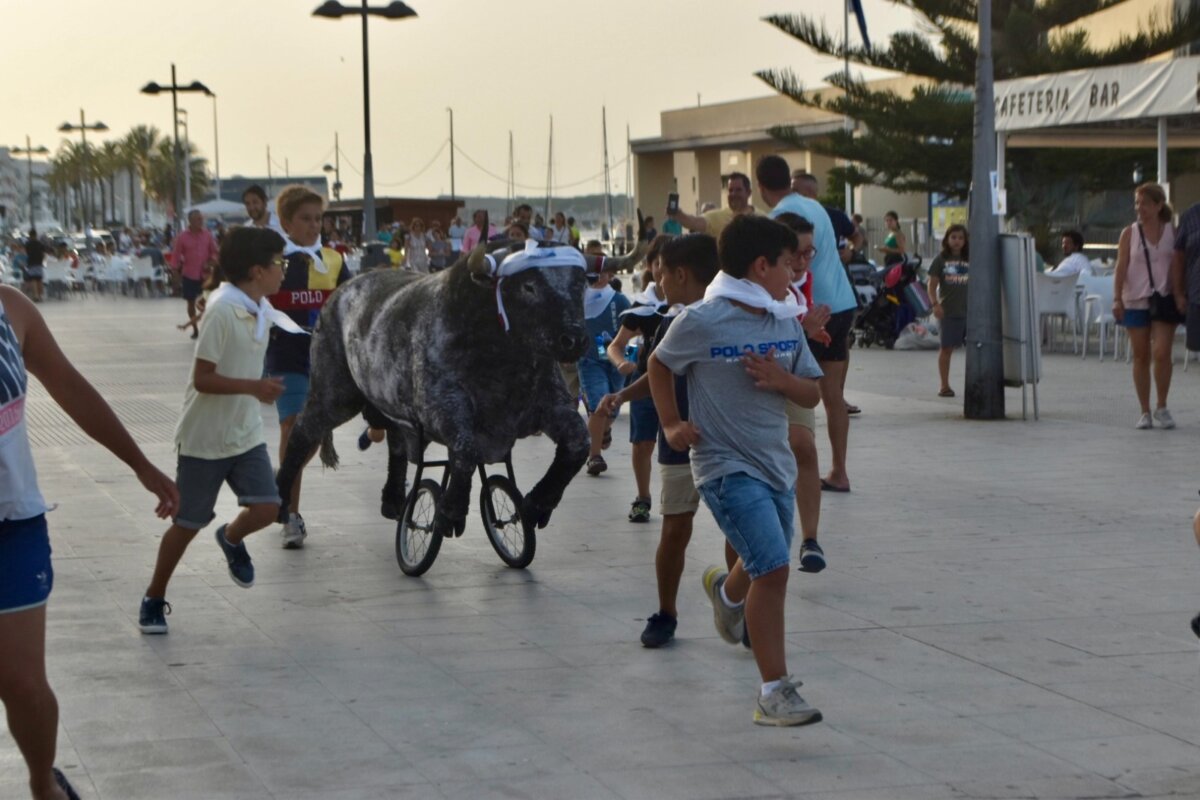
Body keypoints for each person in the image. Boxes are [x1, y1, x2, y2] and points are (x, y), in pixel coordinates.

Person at [0, 284, 178, 800]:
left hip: (12, 524)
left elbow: (70, 387)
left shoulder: (12, 309)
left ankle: (43, 782)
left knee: (22, 683)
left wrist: (139, 464)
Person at [649, 214, 824, 726]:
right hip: (723, 467)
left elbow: (812, 392)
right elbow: (659, 364)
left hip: (776, 466)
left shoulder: (784, 320)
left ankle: (727, 596)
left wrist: (782, 381)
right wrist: (671, 423)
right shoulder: (703, 319)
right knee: (772, 568)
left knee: (762, 559)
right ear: (760, 266)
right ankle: (774, 692)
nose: (795, 272)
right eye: (787, 263)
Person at [139, 227, 290, 635]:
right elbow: (202, 378)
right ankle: (153, 596)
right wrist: (254, 387)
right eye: (280, 263)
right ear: (257, 270)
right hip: (204, 439)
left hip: (244, 433)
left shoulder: (258, 307)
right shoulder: (223, 311)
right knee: (188, 524)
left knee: (268, 508)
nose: (284, 270)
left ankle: (231, 538)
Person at [596, 234, 720, 648]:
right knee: (675, 528)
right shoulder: (670, 321)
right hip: (680, 443)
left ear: (681, 274)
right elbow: (656, 373)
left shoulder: (726, 316)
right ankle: (667, 612)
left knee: (737, 530)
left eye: (662, 272)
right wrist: (622, 396)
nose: (658, 280)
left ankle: (739, 604)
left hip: (724, 441)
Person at [756, 154, 856, 493]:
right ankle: (839, 470)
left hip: (806, 312)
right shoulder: (815, 206)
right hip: (841, 304)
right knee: (834, 396)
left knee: (794, 397)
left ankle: (795, 470)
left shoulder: (777, 220)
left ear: (761, 186)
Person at [267, 185, 351, 546]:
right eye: (305, 219)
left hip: (325, 360)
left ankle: (281, 480)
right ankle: (290, 514)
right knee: (292, 426)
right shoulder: (273, 262)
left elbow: (351, 302)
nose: (314, 225)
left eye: (318, 219)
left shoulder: (334, 261)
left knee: (310, 435)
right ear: (286, 222)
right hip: (285, 356)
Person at [773, 213, 834, 575]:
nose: (802, 261)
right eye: (796, 253)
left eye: (809, 253)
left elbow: (797, 325)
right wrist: (803, 327)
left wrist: (809, 332)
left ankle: (810, 539)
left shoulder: (803, 281)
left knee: (804, 445)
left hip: (793, 374)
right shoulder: (757, 283)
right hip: (759, 378)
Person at [603, 235, 670, 522]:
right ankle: (643, 498)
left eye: (670, 264)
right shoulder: (643, 306)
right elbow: (615, 345)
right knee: (643, 443)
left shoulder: (693, 304)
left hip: (680, 386)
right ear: (650, 266)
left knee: (677, 446)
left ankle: (677, 499)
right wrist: (621, 363)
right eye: (659, 263)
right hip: (644, 383)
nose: (663, 270)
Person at [1113, 182, 1181, 430]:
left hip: (1164, 298)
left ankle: (1162, 405)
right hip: (1135, 298)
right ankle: (1145, 410)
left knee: (1162, 352)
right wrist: (1117, 298)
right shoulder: (1129, 233)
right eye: (1137, 203)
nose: (1139, 208)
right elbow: (1121, 267)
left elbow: (1180, 263)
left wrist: (1180, 293)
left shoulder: (1173, 232)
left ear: (1158, 205)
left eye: (1145, 203)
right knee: (1141, 355)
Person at [581, 260, 632, 477]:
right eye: (594, 272)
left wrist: (630, 357)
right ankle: (594, 456)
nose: (598, 276)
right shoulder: (579, 299)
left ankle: (605, 428)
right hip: (590, 360)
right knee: (599, 403)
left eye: (602, 272)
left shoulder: (619, 300)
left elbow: (633, 328)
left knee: (614, 406)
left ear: (609, 274)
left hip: (616, 361)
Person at [928, 224, 970, 398]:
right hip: (949, 311)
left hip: (969, 311)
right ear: (947, 239)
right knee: (946, 348)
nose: (957, 241)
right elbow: (932, 285)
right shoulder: (940, 260)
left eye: (960, 238)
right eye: (953, 237)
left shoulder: (971, 258)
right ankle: (944, 385)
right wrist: (935, 304)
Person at [171, 210, 219, 340]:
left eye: (201, 218)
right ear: (190, 221)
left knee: (210, 302)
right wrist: (175, 271)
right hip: (189, 274)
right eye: (198, 219)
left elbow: (214, 252)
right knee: (191, 302)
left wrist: (210, 261)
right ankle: (195, 328)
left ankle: (208, 328)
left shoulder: (207, 235)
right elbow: (176, 255)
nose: (200, 221)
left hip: (206, 275)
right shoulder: (182, 237)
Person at [667, 172, 754, 241]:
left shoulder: (759, 217)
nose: (733, 194)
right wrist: (679, 214)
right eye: (730, 190)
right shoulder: (718, 217)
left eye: (738, 190)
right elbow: (694, 222)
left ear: (749, 192)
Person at [23, 232, 44, 304]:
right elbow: (43, 253)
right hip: (39, 263)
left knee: (33, 279)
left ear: (30, 235)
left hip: (31, 263)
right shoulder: (40, 243)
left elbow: (26, 253)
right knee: (39, 279)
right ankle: (40, 296)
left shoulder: (28, 244)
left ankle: (36, 296)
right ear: (36, 235)